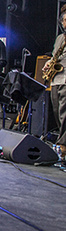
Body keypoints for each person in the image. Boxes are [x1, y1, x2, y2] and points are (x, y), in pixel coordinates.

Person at [43, 10, 66, 160]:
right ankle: (62, 144)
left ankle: (63, 146)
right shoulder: (60, 38)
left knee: (65, 114)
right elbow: (54, 55)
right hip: (56, 79)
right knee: (58, 112)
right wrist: (49, 63)